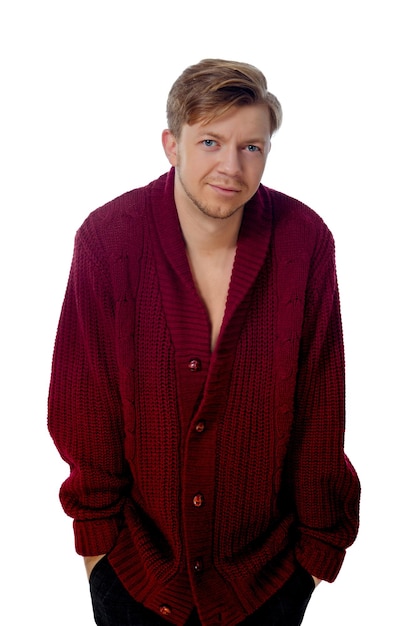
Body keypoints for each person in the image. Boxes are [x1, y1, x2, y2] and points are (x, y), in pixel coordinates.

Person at [48, 58, 360, 626]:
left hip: (267, 581)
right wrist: (97, 555)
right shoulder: (108, 239)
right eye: (211, 141)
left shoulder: (304, 241)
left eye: (252, 148)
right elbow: (83, 403)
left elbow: (320, 406)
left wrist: (313, 562)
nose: (231, 166)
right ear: (172, 144)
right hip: (136, 574)